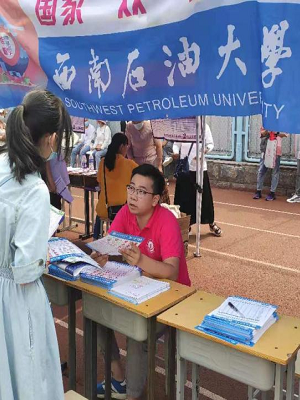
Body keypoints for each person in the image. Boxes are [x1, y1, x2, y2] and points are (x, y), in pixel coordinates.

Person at [0, 90, 71, 400]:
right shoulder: (34, 189)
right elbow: (26, 270)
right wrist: (44, 255)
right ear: (50, 138)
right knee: (29, 375)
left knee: (0, 374)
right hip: (17, 297)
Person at [94, 164, 191, 400]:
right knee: (96, 312)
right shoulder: (125, 213)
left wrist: (141, 260)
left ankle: (133, 395)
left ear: (155, 199)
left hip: (172, 297)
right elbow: (110, 244)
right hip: (138, 289)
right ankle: (118, 378)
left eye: (141, 191)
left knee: (137, 333)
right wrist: (100, 256)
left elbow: (172, 271)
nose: (133, 196)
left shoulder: (166, 221)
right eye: (131, 188)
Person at [173, 123, 222, 237]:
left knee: (205, 198)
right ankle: (186, 225)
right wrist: (175, 152)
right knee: (184, 198)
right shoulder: (182, 126)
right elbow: (176, 144)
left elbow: (210, 144)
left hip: (200, 168)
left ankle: (211, 222)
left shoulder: (204, 126)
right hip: (185, 168)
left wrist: (203, 152)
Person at [94, 133, 138, 238]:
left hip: (104, 209)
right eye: (127, 146)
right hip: (121, 211)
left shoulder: (103, 162)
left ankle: (96, 237)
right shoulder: (129, 164)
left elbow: (100, 183)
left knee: (99, 215)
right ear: (122, 146)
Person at [253, 128, 287, 201]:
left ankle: (272, 193)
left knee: (275, 171)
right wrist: (268, 130)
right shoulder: (266, 122)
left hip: (276, 149)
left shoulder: (281, 123)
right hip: (265, 148)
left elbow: (285, 134)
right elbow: (262, 133)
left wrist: (276, 133)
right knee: (261, 170)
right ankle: (258, 191)